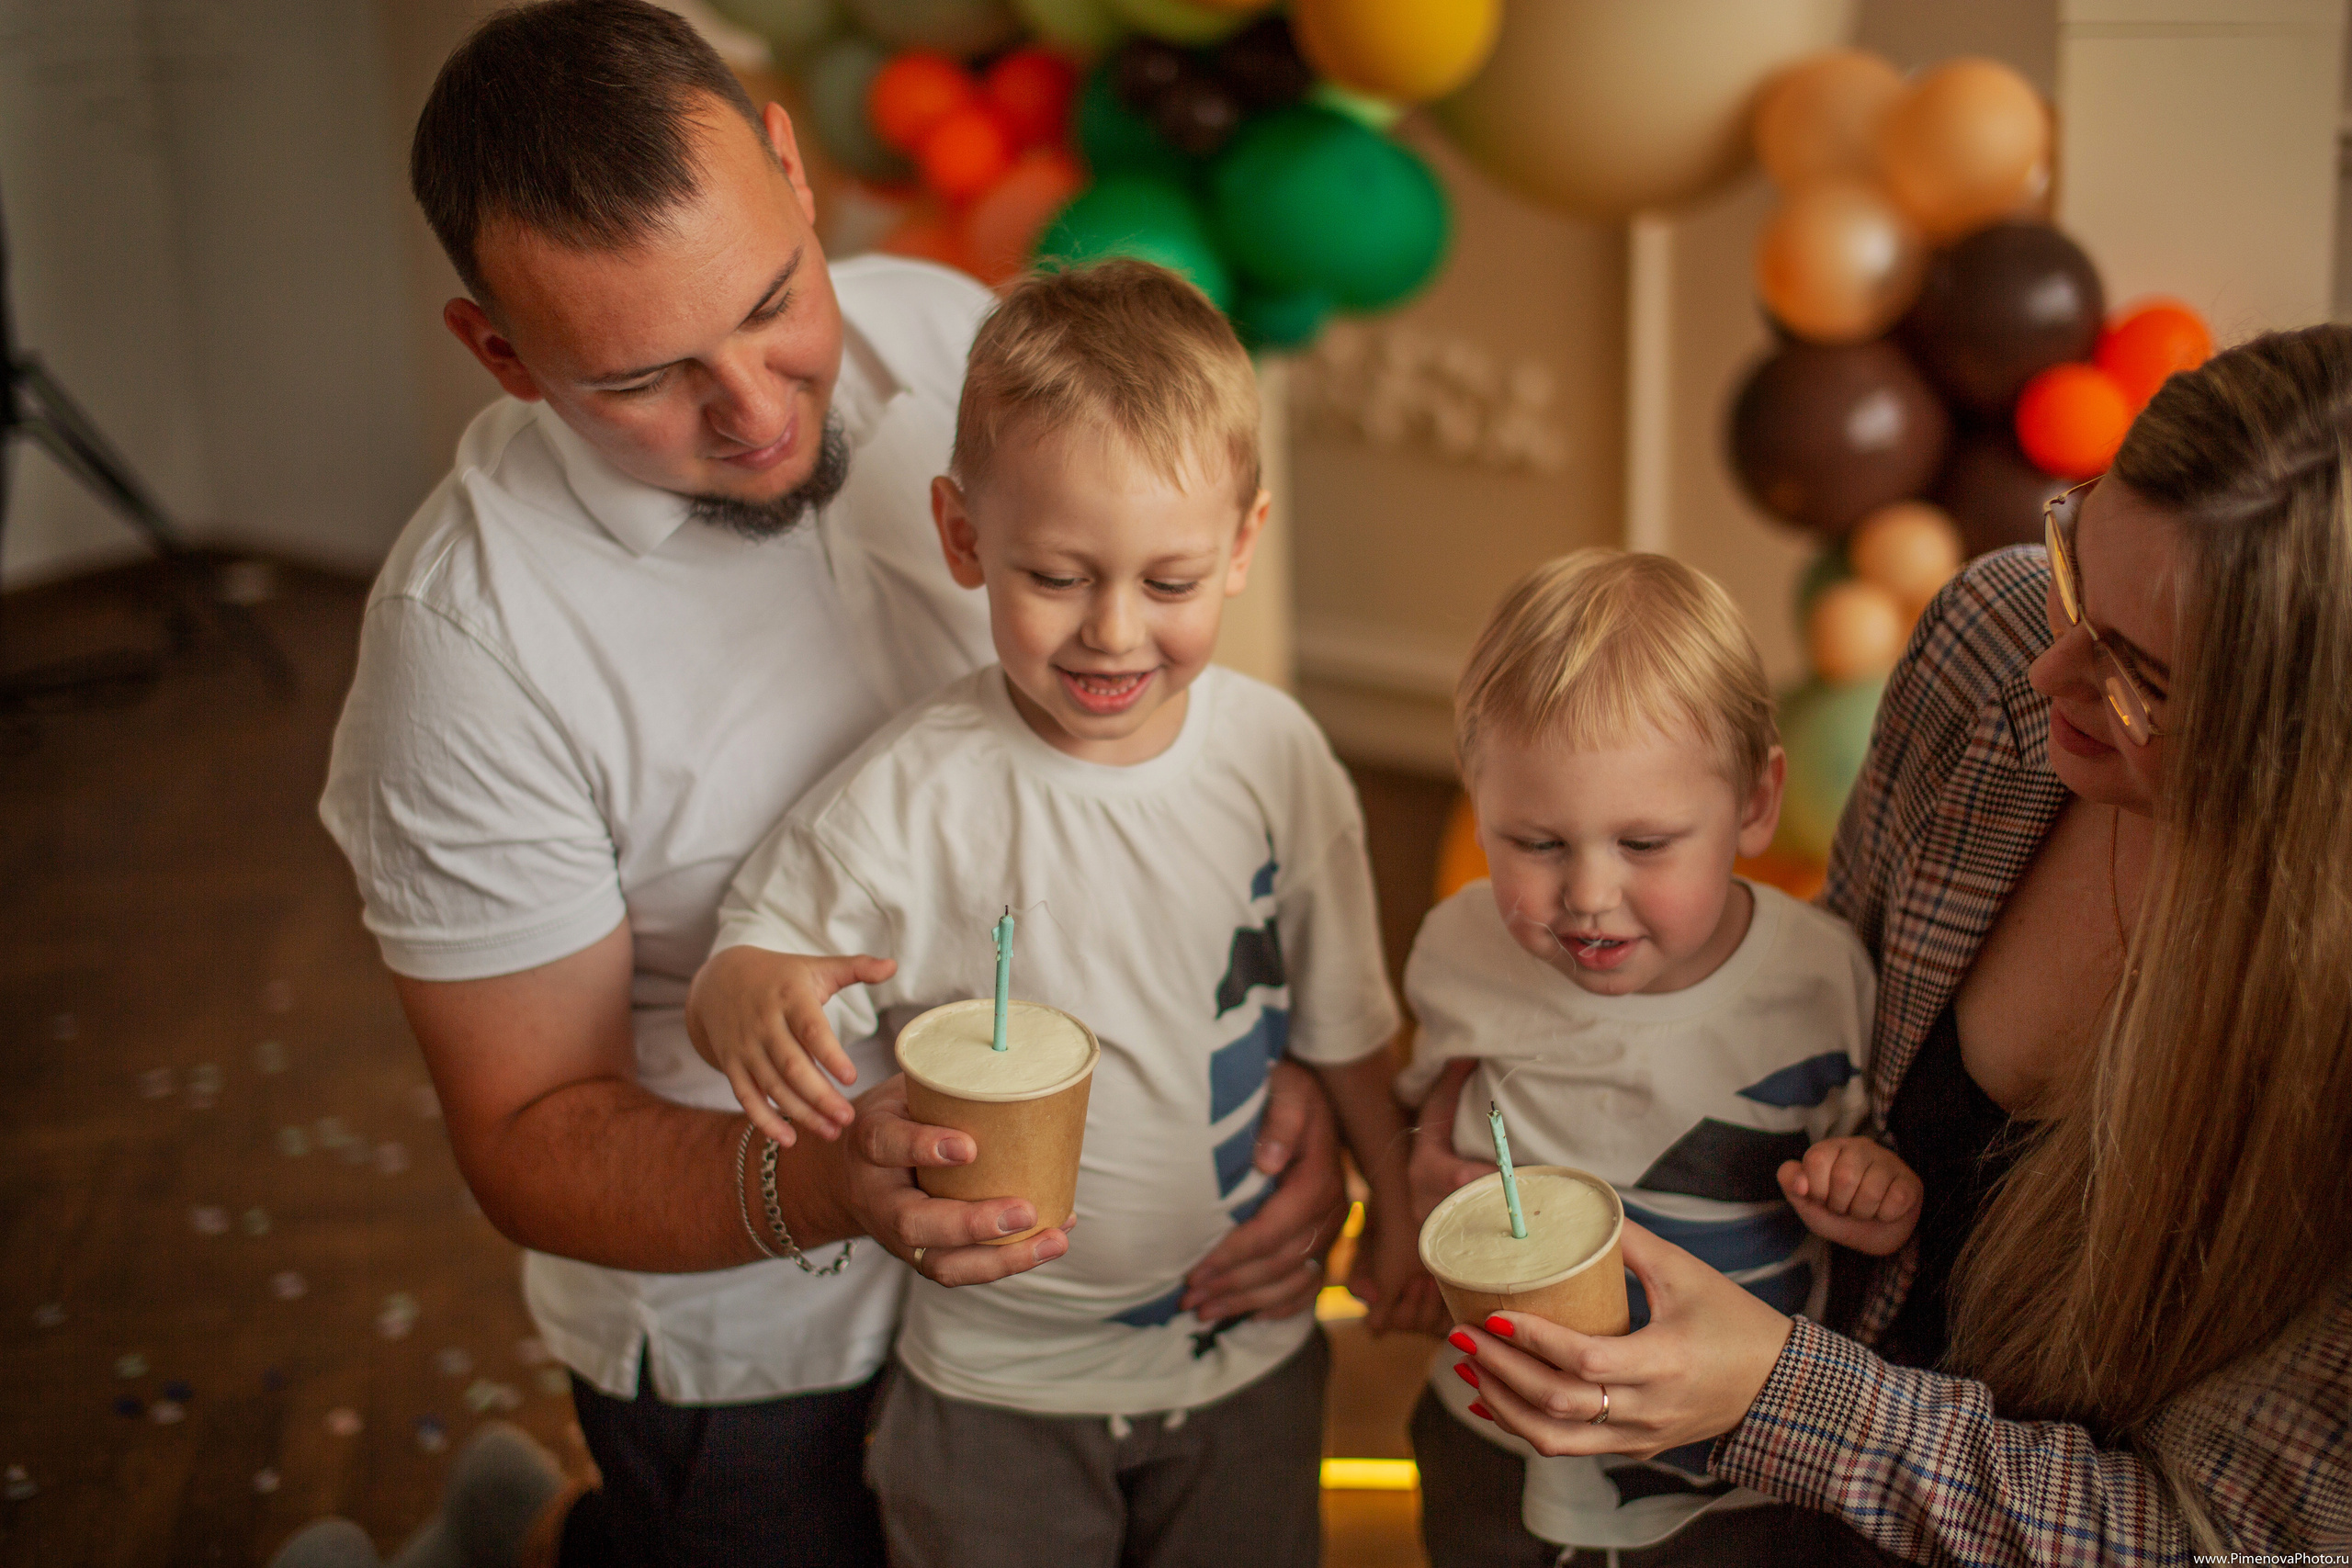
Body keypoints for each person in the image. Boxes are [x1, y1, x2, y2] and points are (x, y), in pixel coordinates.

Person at [306, 5, 1346, 1562]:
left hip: (1086, 1294)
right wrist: (837, 1184)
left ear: (792, 172)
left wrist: (1291, 1095)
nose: (756, 405)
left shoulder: (942, 333)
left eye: (773, 303)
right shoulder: (466, 651)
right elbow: (528, 1127)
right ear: (501, 352)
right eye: (646, 377)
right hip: (757, 1343)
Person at [1433, 326, 2352, 1560]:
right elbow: (1816, 1040)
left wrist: (1785, 1395)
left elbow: (2220, 1538)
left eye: (2141, 675)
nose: (2049, 663)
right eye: (2082, 566)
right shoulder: (1988, 650)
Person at [690, 259, 1408, 1568]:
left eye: (1170, 581)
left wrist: (1397, 1195)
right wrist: (746, 995)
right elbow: (754, 954)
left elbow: (1348, 1011)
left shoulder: (1280, 756)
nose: (1114, 634)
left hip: (1244, 1354)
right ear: (964, 535)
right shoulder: (915, 791)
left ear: (1243, 543)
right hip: (995, 1388)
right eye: (1060, 575)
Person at [1396, 550, 1910, 1566]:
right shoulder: (1458, 950)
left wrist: (1871, 1192)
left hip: (1726, 1491)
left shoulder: (1815, 976)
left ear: (1757, 802)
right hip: (1490, 1447)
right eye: (1536, 842)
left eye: (1644, 844)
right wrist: (1421, 1165)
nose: (1587, 894)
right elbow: (1432, 1105)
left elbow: (1864, 1151)